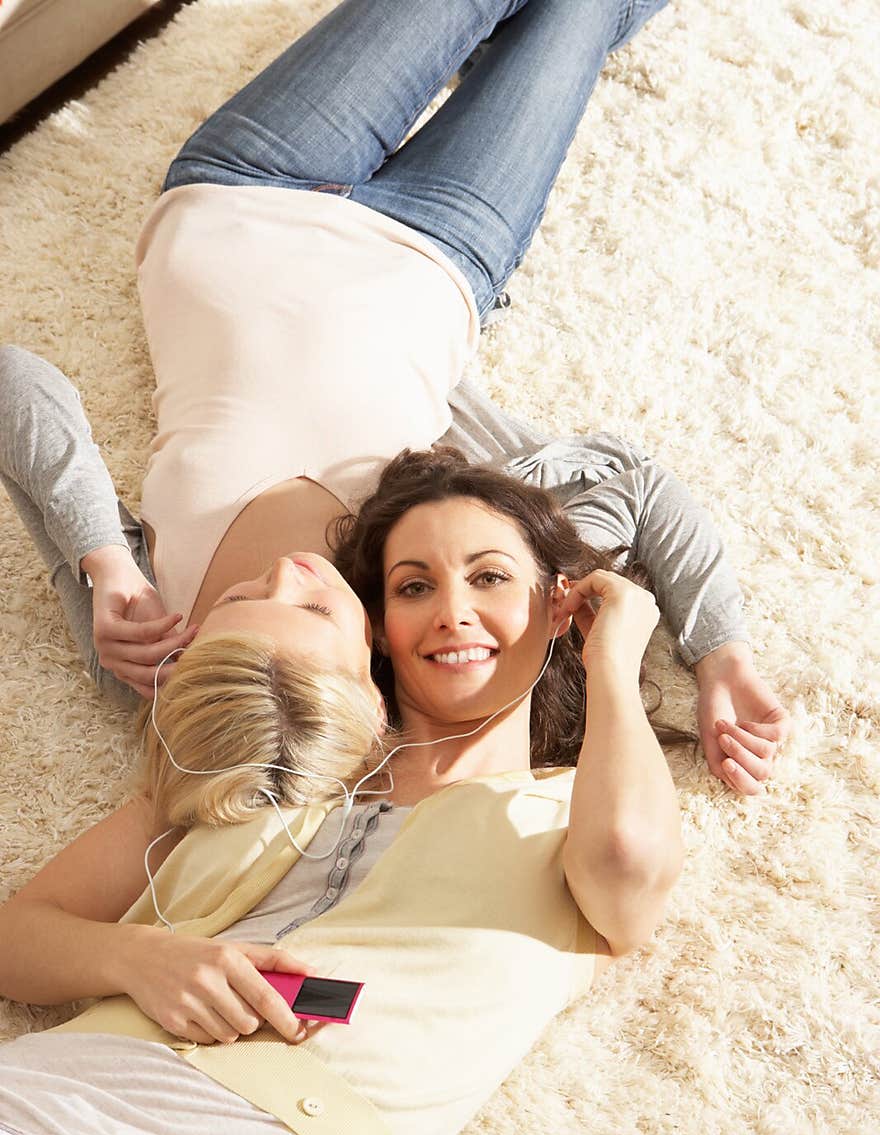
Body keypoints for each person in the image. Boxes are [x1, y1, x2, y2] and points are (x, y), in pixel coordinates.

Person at [0, 0, 788, 790]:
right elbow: (638, 491)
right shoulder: (439, 576)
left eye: (245, 595)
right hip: (448, 247)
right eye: (314, 610)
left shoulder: (153, 647)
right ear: (371, 664)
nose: (293, 571)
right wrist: (722, 654)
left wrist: (106, 564)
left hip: (241, 189)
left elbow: (15, 383)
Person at [1, 450, 712, 1135]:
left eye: (490, 577)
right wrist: (138, 957)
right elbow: (16, 939)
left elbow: (630, 864)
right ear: (378, 626)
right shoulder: (260, 761)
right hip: (40, 1091)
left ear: (559, 607)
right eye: (413, 587)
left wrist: (617, 647)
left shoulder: (573, 812)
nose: (452, 611)